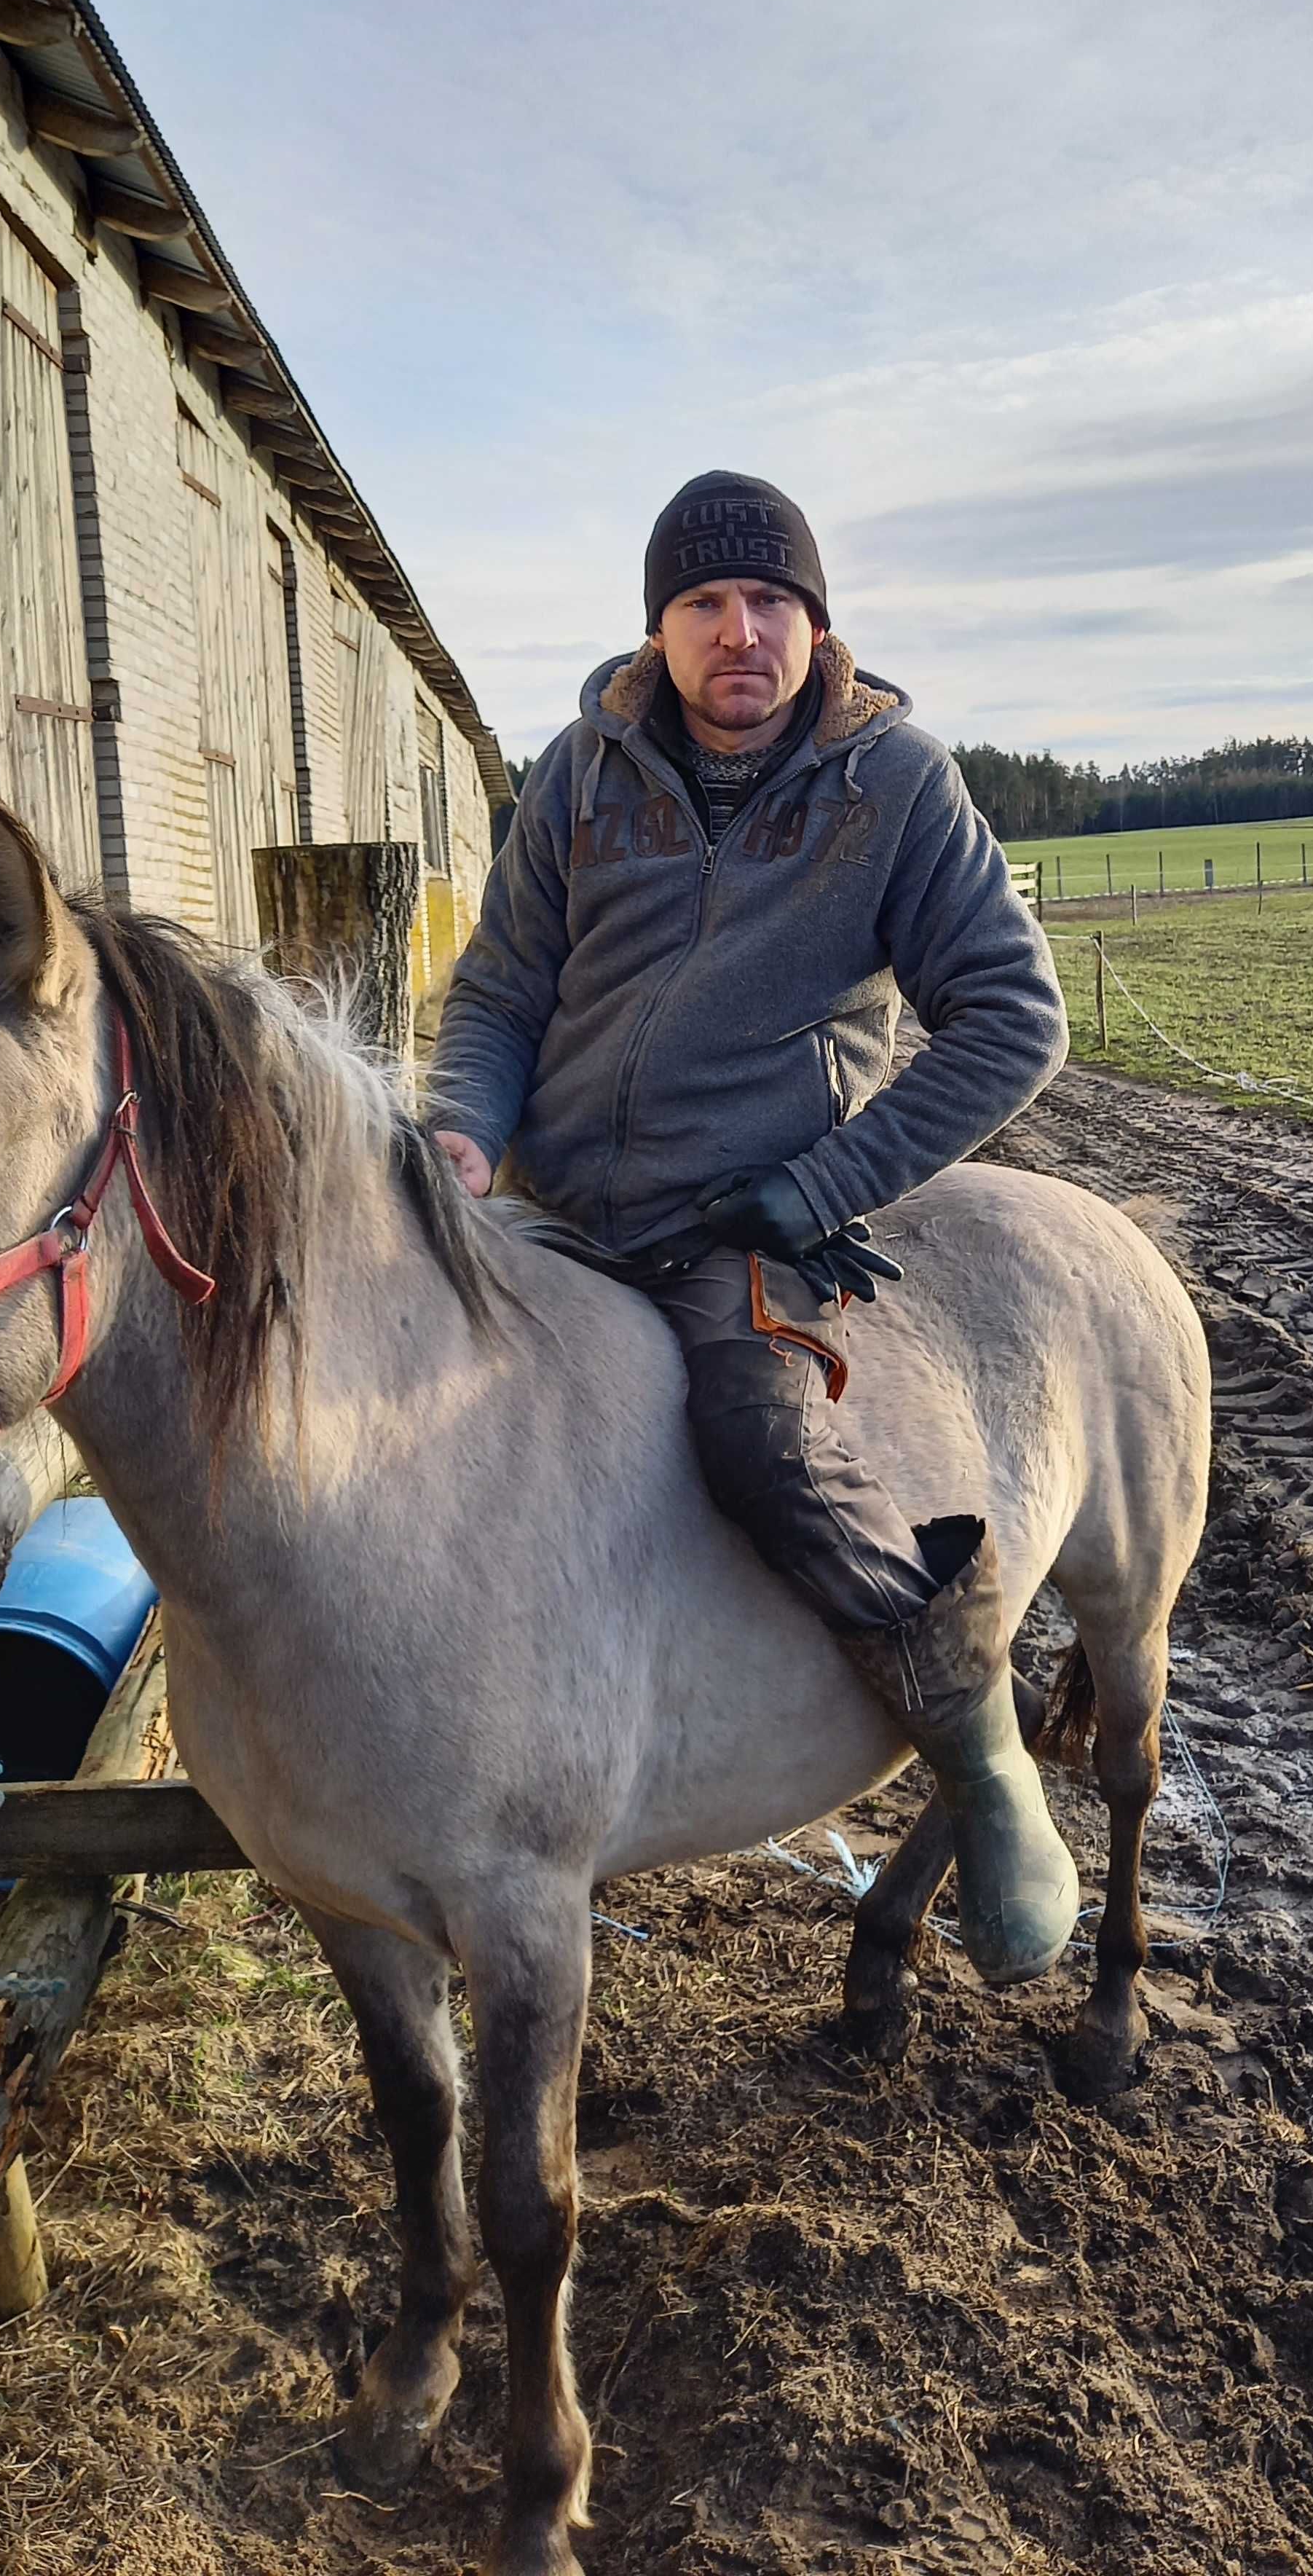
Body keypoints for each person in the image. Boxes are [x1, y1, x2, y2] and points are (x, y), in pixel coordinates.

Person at [429, 470, 1076, 1982]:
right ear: (657, 628)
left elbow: (1012, 1020)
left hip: (744, 1222)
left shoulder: (895, 787)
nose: (741, 633)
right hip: (551, 1204)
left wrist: (818, 1187)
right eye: (706, 604)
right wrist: (464, 1127)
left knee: (764, 1436)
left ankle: (983, 1763)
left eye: (770, 602)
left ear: (816, 622)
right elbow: (505, 989)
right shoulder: (581, 775)